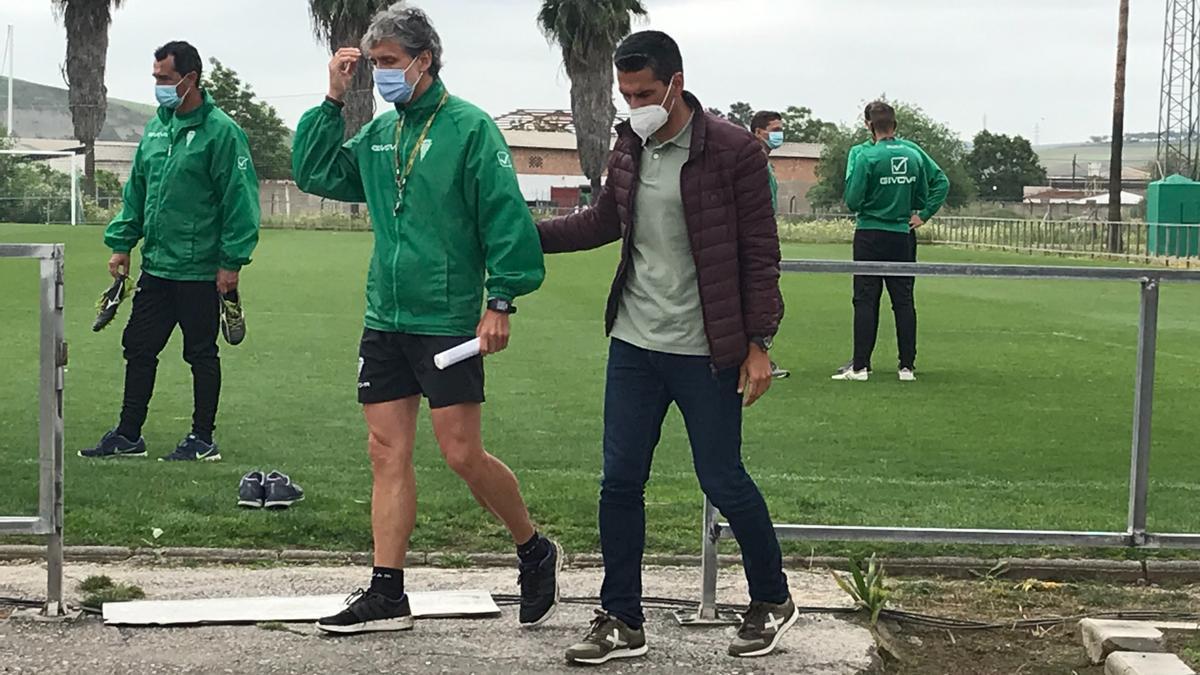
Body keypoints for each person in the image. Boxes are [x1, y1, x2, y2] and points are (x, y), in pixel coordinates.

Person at [291, 2, 560, 634]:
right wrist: (331, 102)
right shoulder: (380, 133)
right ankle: (388, 593)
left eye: (388, 63)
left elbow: (504, 216)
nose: (381, 75)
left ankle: (533, 547)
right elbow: (315, 171)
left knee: (463, 454)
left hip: (445, 318)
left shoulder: (470, 128)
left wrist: (500, 301)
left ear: (424, 60)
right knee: (386, 451)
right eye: (373, 64)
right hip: (384, 316)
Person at [538, 30, 796, 664]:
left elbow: (762, 256)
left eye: (645, 93)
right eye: (626, 94)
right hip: (634, 342)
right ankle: (622, 618)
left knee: (723, 478)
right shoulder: (629, 144)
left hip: (708, 350)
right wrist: (521, 234)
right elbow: (603, 221)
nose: (634, 105)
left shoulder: (735, 151)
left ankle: (772, 599)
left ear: (676, 84)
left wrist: (759, 343)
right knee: (619, 482)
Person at [81, 41, 259, 462]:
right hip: (157, 268)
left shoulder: (222, 132)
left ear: (190, 79)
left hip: (200, 271)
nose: (158, 86)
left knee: (200, 353)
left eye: (164, 78)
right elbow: (138, 192)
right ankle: (128, 435)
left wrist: (231, 262)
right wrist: (122, 243)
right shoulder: (156, 129)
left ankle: (202, 439)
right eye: (156, 77)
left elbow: (241, 202)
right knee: (138, 347)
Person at [832, 100, 948, 382]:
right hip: (902, 233)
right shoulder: (913, 153)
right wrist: (923, 213)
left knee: (865, 300)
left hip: (870, 233)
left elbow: (854, 199)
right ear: (895, 124)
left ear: (869, 125)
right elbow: (937, 183)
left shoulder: (865, 155)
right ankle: (906, 367)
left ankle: (860, 367)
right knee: (904, 300)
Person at [750, 110, 790, 380]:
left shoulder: (766, 163)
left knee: (770, 305)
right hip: (755, 241)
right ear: (758, 132)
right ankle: (756, 358)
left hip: (764, 237)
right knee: (770, 304)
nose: (778, 134)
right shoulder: (753, 162)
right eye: (774, 129)